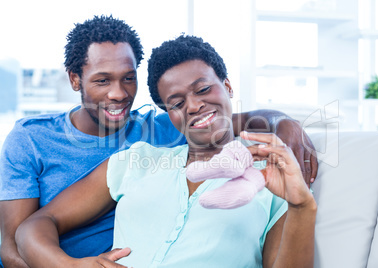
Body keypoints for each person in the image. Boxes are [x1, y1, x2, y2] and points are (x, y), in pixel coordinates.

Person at [0, 15, 317, 267]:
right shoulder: (129, 158)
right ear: (75, 80)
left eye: (128, 78)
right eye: (101, 80)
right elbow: (16, 241)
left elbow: (222, 121)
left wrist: (284, 122)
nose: (119, 93)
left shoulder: (161, 131)